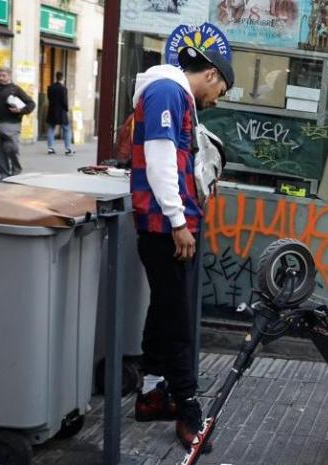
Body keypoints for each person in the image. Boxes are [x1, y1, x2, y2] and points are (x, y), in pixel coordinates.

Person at [130, 45, 233, 452]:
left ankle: (152, 393)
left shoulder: (169, 93)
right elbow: (159, 161)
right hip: (164, 226)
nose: (216, 99)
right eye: (221, 89)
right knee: (179, 317)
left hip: (164, 224)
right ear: (209, 74)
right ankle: (189, 411)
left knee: (165, 308)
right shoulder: (167, 93)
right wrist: (178, 223)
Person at [0, 67, 35, 182]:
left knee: (11, 149)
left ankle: (16, 171)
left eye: (4, 75)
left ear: (9, 76)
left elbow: (31, 104)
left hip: (11, 124)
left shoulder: (15, 89)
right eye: (0, 75)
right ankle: (4, 175)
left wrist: (20, 110)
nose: (1, 78)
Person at [46, 71, 73, 155]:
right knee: (66, 129)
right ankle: (68, 149)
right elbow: (65, 101)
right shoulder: (63, 89)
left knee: (51, 129)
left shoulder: (50, 87)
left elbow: (49, 99)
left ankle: (50, 148)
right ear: (63, 78)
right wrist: (67, 110)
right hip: (61, 112)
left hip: (52, 111)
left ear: (56, 77)